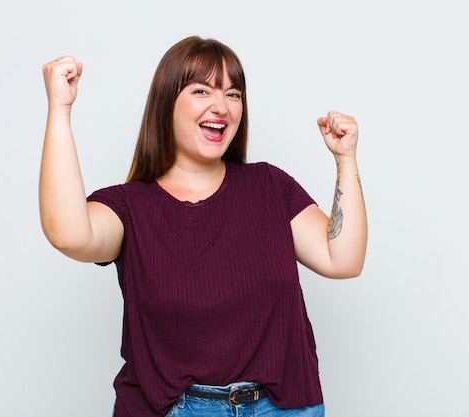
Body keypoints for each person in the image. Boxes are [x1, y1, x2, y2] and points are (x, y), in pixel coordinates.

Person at [40, 36, 367, 417]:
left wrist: (345, 159)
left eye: (233, 94)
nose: (221, 107)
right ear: (167, 104)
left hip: (283, 408)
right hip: (172, 409)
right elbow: (68, 233)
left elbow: (342, 260)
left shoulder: (270, 186)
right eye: (201, 90)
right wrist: (60, 110)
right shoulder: (129, 206)